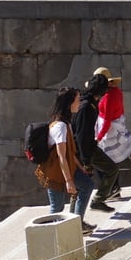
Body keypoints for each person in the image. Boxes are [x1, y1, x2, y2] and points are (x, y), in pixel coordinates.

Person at [35, 87, 96, 232]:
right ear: (69, 103)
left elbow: (70, 153)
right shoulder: (60, 127)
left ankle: (76, 223)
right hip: (55, 173)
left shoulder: (66, 123)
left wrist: (80, 168)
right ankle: (51, 235)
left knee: (86, 185)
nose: (79, 103)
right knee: (57, 208)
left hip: (66, 169)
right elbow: (61, 156)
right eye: (77, 100)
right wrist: (69, 181)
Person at [71, 75, 109, 220]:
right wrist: (85, 161)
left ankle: (74, 222)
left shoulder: (88, 104)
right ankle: (77, 223)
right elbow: (80, 135)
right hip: (80, 153)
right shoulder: (86, 107)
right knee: (84, 186)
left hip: (81, 151)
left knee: (79, 188)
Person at [92, 66, 130, 205]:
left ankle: (111, 189)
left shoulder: (108, 96)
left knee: (101, 161)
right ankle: (114, 189)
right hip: (114, 127)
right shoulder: (117, 92)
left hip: (108, 130)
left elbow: (107, 119)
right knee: (111, 160)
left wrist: (99, 136)